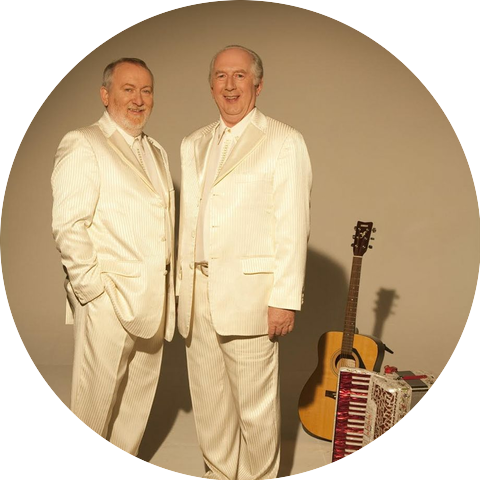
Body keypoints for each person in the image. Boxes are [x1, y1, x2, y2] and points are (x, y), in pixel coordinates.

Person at [176, 45, 312, 480]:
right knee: (209, 403)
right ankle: (218, 474)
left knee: (256, 410)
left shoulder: (285, 141)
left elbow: (293, 225)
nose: (230, 85)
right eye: (221, 76)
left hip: (251, 294)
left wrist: (284, 298)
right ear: (210, 85)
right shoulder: (193, 143)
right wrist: (179, 291)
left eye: (240, 75)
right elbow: (189, 222)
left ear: (258, 84)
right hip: (196, 293)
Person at [51, 58, 175, 480]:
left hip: (153, 297)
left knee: (138, 394)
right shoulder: (83, 143)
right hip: (106, 298)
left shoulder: (156, 151)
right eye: (128, 89)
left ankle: (118, 467)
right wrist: (92, 292)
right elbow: (68, 224)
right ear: (105, 95)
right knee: (94, 399)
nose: (138, 99)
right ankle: (83, 474)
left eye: (146, 90)